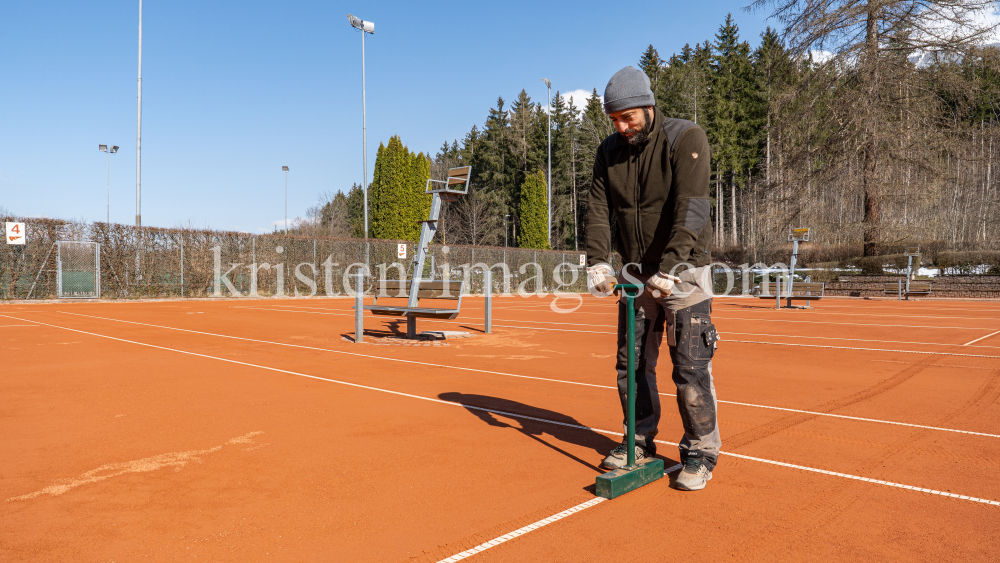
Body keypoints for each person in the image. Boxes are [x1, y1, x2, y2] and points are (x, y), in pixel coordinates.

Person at [585, 66, 721, 491]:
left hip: (684, 273)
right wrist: (598, 262)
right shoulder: (609, 151)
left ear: (648, 105)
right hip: (636, 275)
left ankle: (700, 452)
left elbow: (693, 208)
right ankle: (638, 439)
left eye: (628, 118)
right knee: (633, 363)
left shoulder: (685, 138)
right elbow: (597, 210)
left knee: (690, 367)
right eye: (615, 120)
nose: (622, 127)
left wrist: (672, 267)